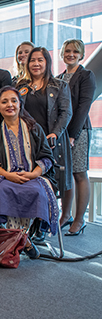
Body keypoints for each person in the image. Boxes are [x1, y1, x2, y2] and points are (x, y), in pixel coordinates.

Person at [0, 86, 59, 259]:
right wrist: (8, 175)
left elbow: (47, 158)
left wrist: (33, 174)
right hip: (5, 177)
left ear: (20, 104)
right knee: (5, 190)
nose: (10, 105)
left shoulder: (34, 128)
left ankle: (17, 238)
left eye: (13, 101)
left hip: (32, 176)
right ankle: (24, 240)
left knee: (36, 191)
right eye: (4, 102)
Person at [16, 47, 72, 240]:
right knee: (28, 182)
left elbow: (66, 113)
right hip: (26, 142)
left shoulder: (59, 85)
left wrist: (55, 134)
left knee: (47, 183)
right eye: (32, 60)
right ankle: (25, 225)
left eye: (40, 60)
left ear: (47, 62)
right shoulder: (20, 85)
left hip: (50, 142)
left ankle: (42, 225)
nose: (36, 64)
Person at [57, 39, 96, 236]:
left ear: (81, 54)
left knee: (79, 173)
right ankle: (65, 216)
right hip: (61, 132)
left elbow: (83, 107)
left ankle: (79, 220)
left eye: (75, 51)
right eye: (67, 51)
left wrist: (72, 135)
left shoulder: (86, 75)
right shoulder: (58, 77)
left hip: (78, 131)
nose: (70, 54)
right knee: (65, 173)